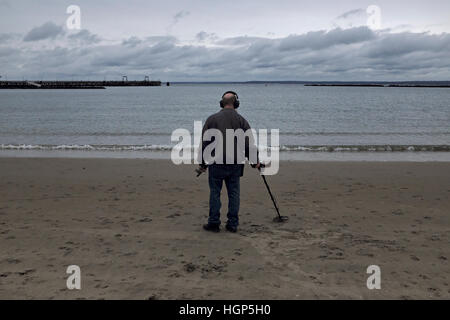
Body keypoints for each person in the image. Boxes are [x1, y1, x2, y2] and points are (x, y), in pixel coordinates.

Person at [197, 91, 260, 233]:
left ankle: (213, 223)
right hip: (235, 164)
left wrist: (202, 163)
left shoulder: (211, 119)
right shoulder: (241, 120)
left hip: (216, 163)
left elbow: (205, 143)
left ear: (222, 103)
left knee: (215, 193)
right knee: (234, 194)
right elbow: (248, 143)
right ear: (236, 103)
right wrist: (254, 161)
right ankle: (232, 224)